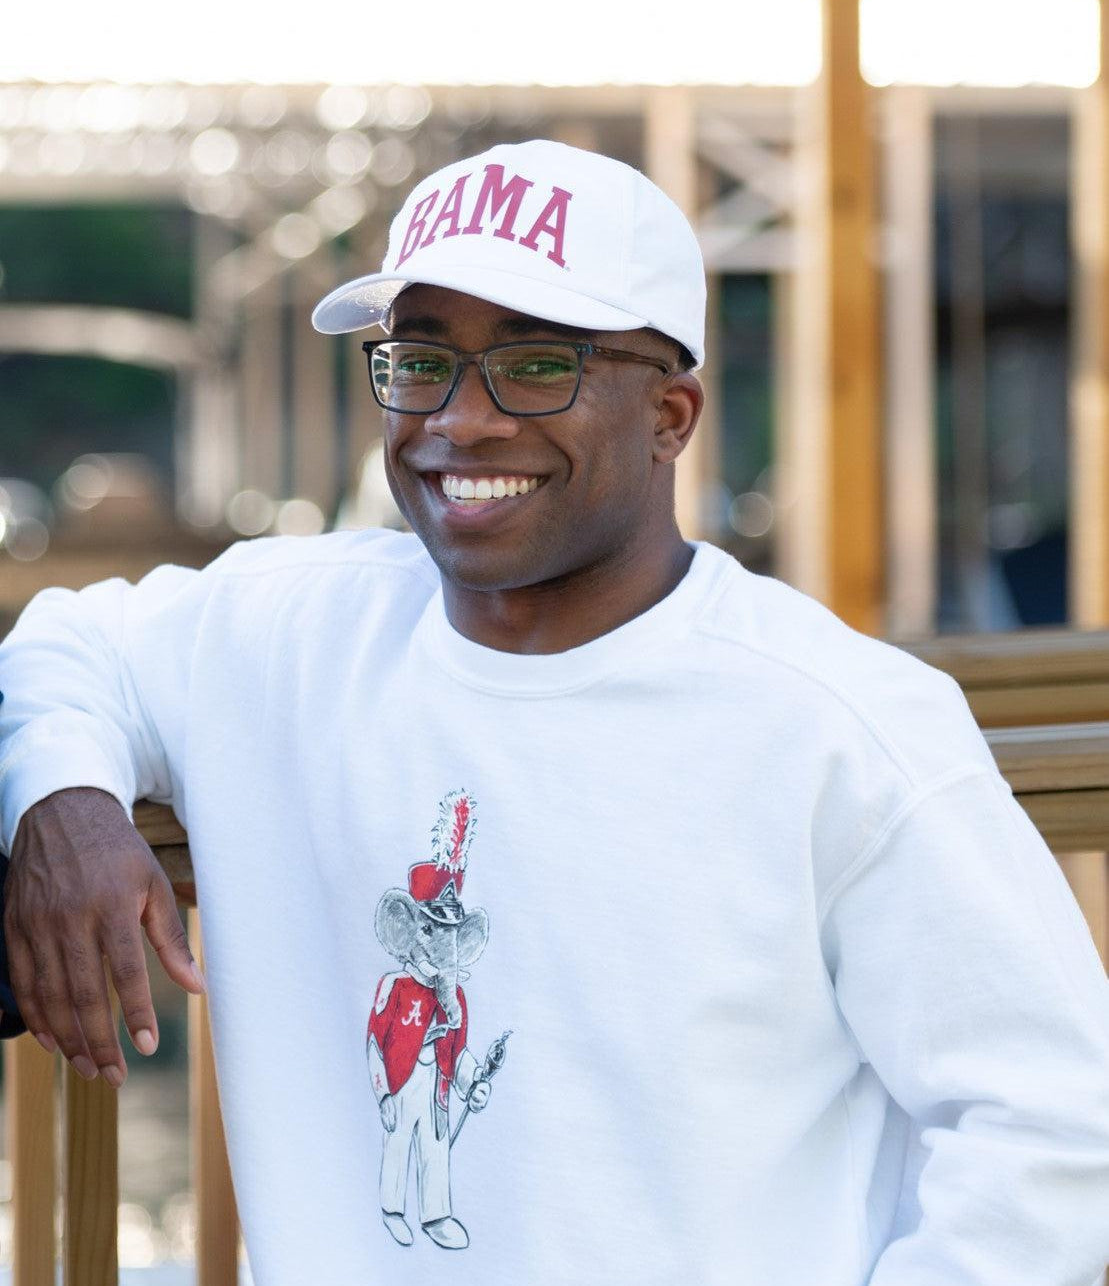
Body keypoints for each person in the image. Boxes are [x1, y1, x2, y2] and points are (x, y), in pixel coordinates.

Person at [0, 138, 1107, 1286]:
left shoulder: (836, 723)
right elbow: (73, 645)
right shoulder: (282, 632)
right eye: (420, 360)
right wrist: (66, 802)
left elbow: (1058, 1129)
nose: (460, 421)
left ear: (670, 414)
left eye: (533, 367)